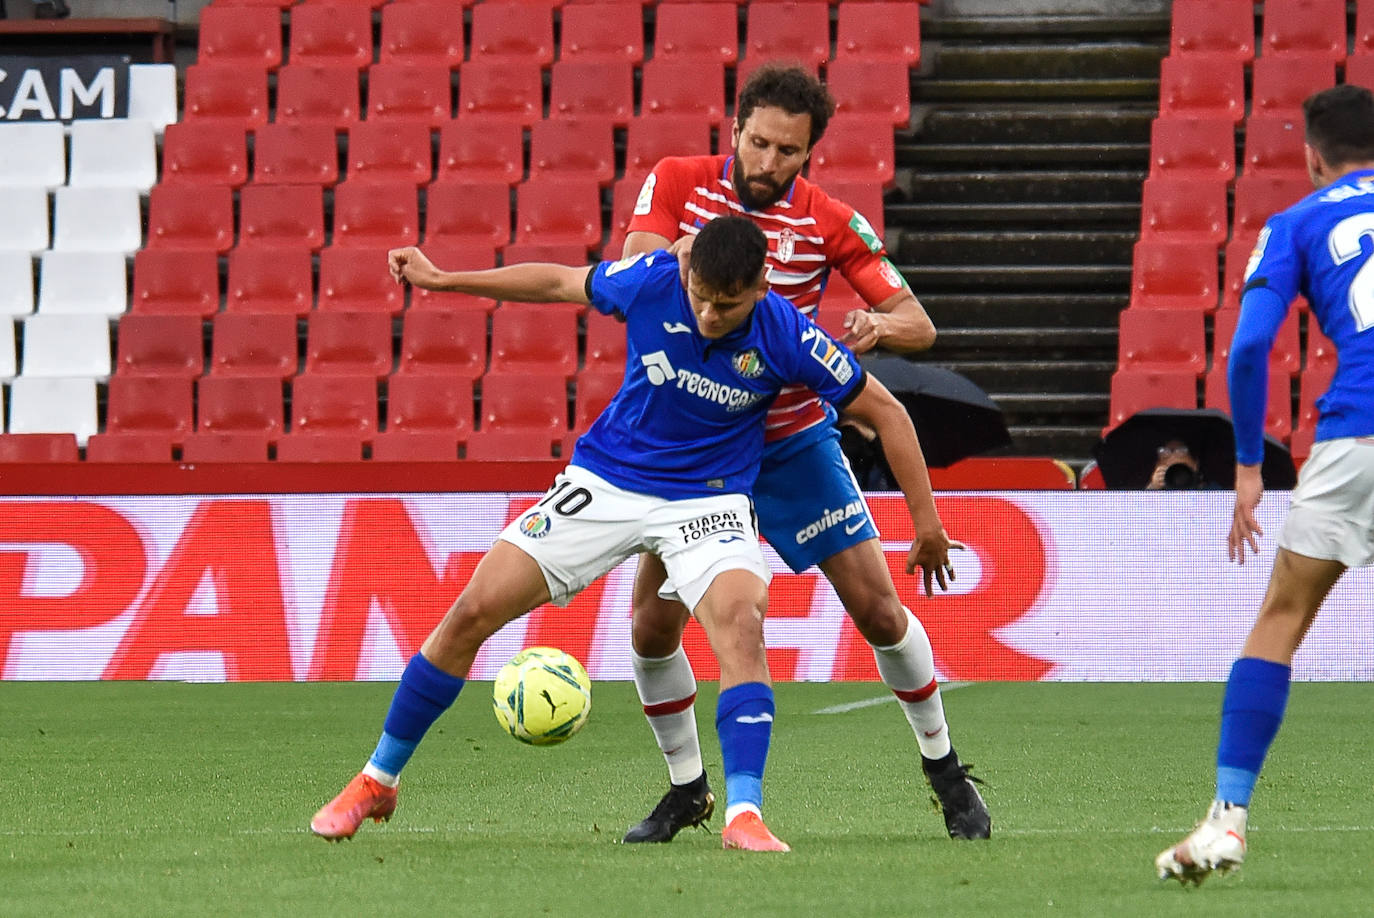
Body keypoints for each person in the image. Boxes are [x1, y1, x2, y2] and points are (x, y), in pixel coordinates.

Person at [309, 217, 961, 852]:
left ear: (762, 289)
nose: (707, 314)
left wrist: (925, 524)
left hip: (709, 501)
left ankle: (744, 813)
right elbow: (559, 283)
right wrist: (446, 280)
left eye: (725, 305)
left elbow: (887, 412)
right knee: (472, 610)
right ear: (684, 270)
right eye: (699, 297)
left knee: (741, 621)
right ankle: (377, 780)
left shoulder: (787, 333)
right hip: (607, 484)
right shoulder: (651, 278)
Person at [616, 62, 990, 844]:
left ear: (810, 151)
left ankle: (946, 772)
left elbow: (916, 321)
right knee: (651, 629)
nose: (768, 163)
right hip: (694, 450)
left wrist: (875, 328)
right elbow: (635, 269)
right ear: (736, 128)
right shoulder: (678, 180)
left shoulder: (829, 221)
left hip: (788, 441)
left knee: (881, 611)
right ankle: (688, 789)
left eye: (787, 151)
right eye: (758, 143)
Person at [1155, 84, 1374, 885]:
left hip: (1358, 435)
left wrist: (1249, 466)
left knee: (1282, 617)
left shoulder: (1299, 221)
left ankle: (1227, 822)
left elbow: (1248, 352)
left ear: (1312, 156)